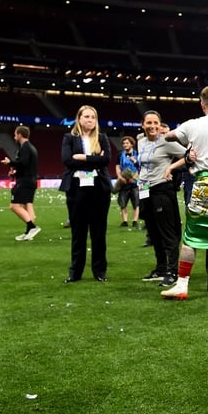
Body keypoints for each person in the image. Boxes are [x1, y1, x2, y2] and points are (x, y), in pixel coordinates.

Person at [159, 86, 208, 299]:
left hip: (204, 184)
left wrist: (188, 143)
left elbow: (168, 136)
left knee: (190, 238)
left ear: (202, 104)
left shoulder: (193, 124)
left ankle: (182, 284)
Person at [59, 105, 112, 283]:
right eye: (86, 116)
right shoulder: (69, 138)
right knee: (78, 233)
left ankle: (99, 271)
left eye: (93, 117)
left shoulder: (102, 138)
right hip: (76, 188)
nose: (90, 120)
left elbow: (106, 160)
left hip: (99, 189)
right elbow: (67, 160)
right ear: (79, 118)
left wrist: (83, 157)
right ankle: (75, 272)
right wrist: (95, 160)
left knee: (99, 233)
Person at [137, 110, 185, 287]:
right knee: (153, 233)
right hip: (145, 191)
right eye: (149, 123)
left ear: (160, 124)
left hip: (162, 190)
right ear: (143, 125)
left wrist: (171, 167)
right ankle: (161, 268)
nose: (152, 126)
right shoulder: (140, 142)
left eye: (155, 123)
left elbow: (189, 155)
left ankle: (172, 271)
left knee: (168, 233)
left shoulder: (166, 141)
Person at [0, 125, 40, 241]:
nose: (14, 137)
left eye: (15, 134)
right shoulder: (31, 147)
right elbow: (26, 166)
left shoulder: (25, 147)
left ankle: (32, 227)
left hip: (25, 182)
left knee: (14, 206)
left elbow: (23, 163)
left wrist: (10, 163)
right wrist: (15, 172)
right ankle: (29, 233)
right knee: (28, 205)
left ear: (20, 135)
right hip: (31, 180)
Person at [114, 135, 140, 228]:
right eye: (123, 143)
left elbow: (140, 167)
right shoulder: (120, 155)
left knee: (136, 202)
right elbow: (117, 167)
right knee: (123, 202)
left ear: (132, 144)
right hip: (123, 181)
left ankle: (134, 221)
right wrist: (120, 177)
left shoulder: (137, 154)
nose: (125, 145)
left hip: (134, 182)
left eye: (127, 143)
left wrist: (134, 178)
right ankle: (124, 221)